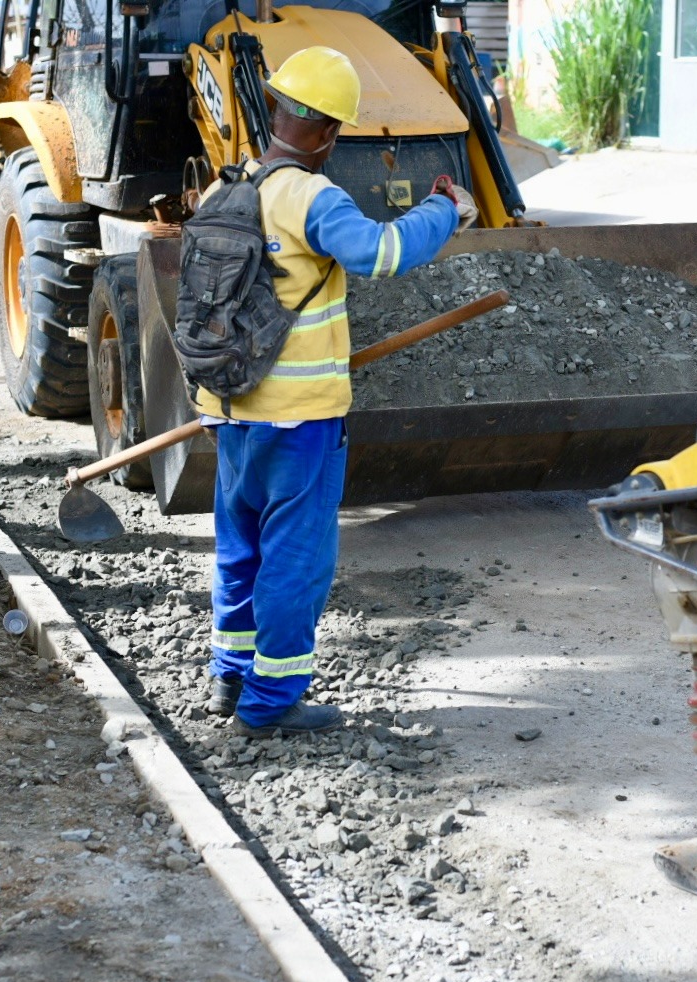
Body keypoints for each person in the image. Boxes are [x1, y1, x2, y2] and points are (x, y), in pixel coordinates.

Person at [197, 46, 473, 737]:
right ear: (326, 132)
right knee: (296, 558)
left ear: (279, 111)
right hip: (300, 420)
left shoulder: (223, 190)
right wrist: (444, 209)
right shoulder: (311, 195)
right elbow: (381, 253)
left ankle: (229, 681)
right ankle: (270, 704)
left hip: (229, 410)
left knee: (240, 547)